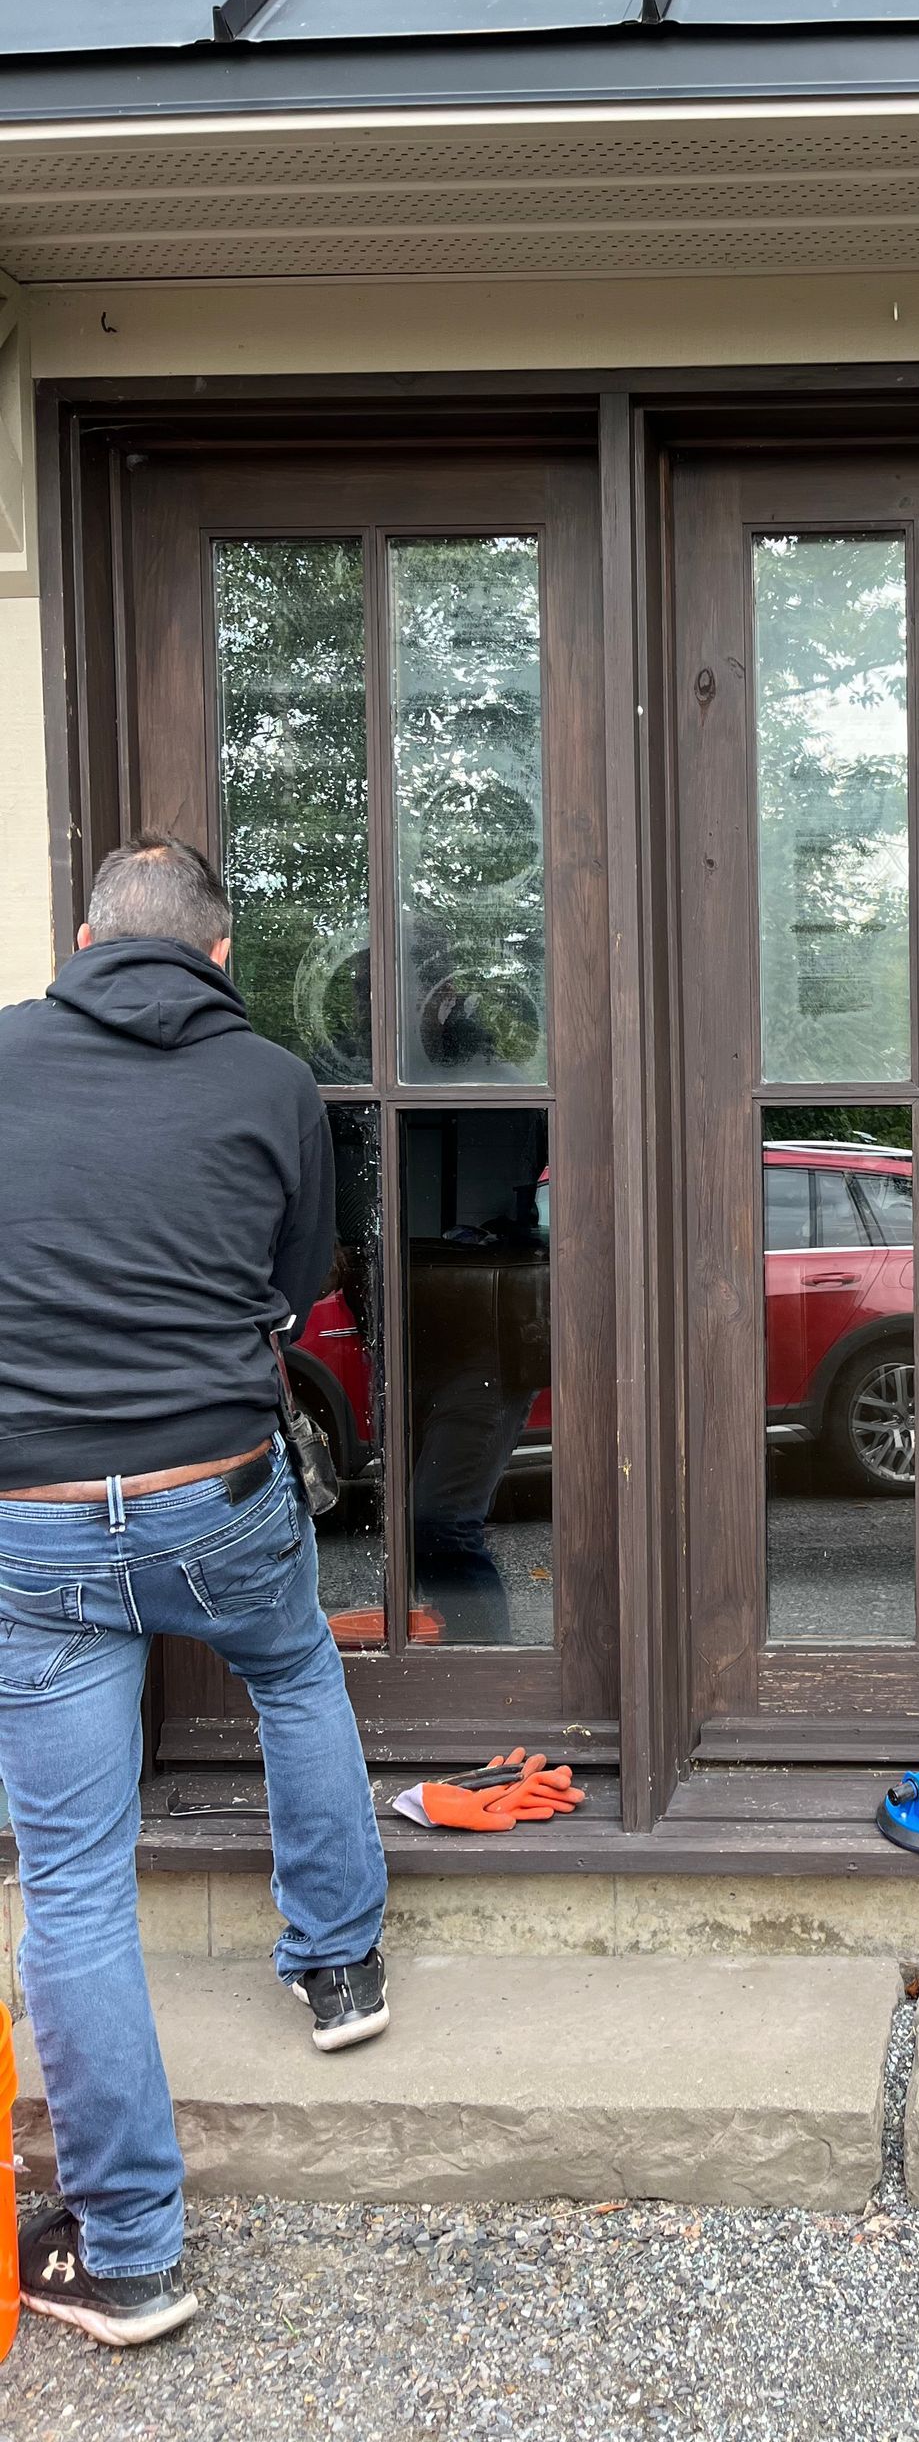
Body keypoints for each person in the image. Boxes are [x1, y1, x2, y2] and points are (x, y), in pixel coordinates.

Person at [0, 835, 389, 2348]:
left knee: (76, 1875)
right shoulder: (274, 1082)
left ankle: (135, 2254)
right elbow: (296, 1290)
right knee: (294, 1673)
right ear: (218, 958)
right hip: (216, 1488)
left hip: (30, 1521)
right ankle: (341, 1971)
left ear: (85, 936)